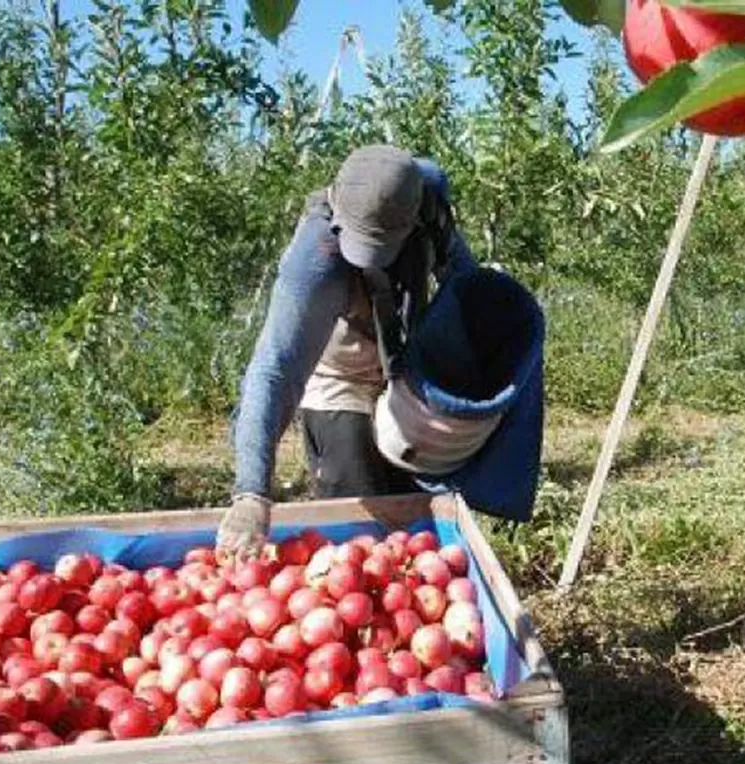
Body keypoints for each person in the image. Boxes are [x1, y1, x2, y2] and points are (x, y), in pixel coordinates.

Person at [216, 144, 545, 562]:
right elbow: (276, 367)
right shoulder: (315, 258)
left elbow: (466, 286)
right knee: (359, 532)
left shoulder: (428, 207)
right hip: (340, 377)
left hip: (404, 371)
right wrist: (252, 493)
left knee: (416, 522)